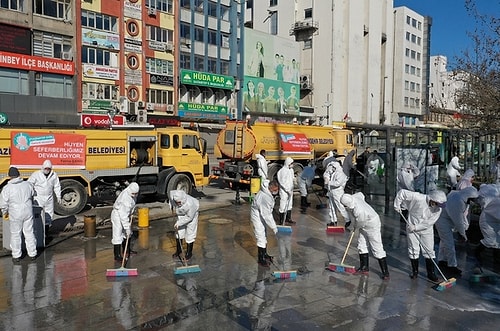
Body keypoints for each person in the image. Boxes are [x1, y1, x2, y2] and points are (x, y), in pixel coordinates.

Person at [394, 189, 447, 282]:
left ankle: (431, 274)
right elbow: (402, 193)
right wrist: (397, 205)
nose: (438, 206)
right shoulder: (418, 197)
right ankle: (415, 272)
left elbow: (430, 222)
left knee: (429, 251)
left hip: (426, 230)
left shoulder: (438, 209)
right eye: (436, 203)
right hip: (411, 227)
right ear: (431, 199)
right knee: (413, 249)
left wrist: (416, 227)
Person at [340, 193, 390, 280]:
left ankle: (385, 273)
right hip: (364, 223)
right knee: (361, 244)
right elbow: (361, 194)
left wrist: (354, 227)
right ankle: (364, 267)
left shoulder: (359, 211)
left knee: (376, 248)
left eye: (345, 206)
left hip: (372, 224)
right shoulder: (355, 197)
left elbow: (360, 222)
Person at [435, 186, 478, 277]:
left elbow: (464, 217)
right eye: (473, 199)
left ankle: (442, 260)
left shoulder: (461, 198)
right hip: (442, 220)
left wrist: (465, 229)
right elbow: (458, 220)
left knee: (444, 241)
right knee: (449, 243)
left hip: (447, 219)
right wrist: (463, 234)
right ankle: (452, 265)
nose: (473, 201)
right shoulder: (457, 201)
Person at [0, 167, 37, 262]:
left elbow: (3, 204)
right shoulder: (27, 184)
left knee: (16, 234)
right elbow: (33, 194)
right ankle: (32, 254)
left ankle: (16, 256)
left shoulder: (7, 188)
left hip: (15, 213)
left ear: (9, 176)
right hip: (28, 211)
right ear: (19, 174)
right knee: (29, 233)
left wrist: (5, 212)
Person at [28, 160, 62, 234]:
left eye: (48, 169)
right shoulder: (36, 174)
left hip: (49, 198)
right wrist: (31, 194)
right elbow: (29, 184)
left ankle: (46, 232)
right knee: (38, 215)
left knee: (49, 215)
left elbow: (57, 186)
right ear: (43, 168)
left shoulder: (54, 175)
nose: (47, 170)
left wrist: (58, 196)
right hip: (38, 198)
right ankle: (38, 231)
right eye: (45, 168)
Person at [250, 180, 279, 267]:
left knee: (264, 235)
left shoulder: (267, 191)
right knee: (260, 236)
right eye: (275, 189)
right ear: (271, 187)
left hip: (261, 214)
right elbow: (267, 215)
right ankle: (261, 259)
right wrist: (274, 228)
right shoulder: (265, 197)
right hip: (257, 217)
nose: (276, 191)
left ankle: (265, 254)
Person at [111, 182, 139, 262]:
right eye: (133, 194)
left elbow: (131, 205)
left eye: (136, 194)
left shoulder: (131, 193)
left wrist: (132, 212)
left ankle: (127, 250)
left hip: (126, 214)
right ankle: (117, 256)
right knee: (118, 234)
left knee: (127, 234)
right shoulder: (125, 198)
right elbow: (123, 215)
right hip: (118, 215)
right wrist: (127, 227)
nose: (134, 195)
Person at [474, 184, 500, 267]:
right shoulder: (498, 202)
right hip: (487, 221)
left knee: (498, 240)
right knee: (490, 240)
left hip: (494, 220)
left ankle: (496, 259)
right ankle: (476, 251)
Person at [170, 189, 200, 261]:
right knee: (179, 232)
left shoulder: (191, 204)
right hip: (181, 214)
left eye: (179, 202)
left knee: (190, 233)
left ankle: (189, 253)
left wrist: (179, 223)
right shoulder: (173, 196)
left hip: (191, 216)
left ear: (183, 200)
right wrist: (171, 207)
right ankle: (179, 251)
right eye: (176, 202)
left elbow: (189, 217)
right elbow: (170, 199)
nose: (177, 204)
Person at [323, 157, 351, 228]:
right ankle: (333, 220)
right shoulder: (334, 172)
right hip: (332, 191)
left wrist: (329, 182)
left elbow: (338, 183)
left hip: (338, 192)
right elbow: (326, 173)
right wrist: (326, 178)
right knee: (332, 206)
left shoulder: (341, 173)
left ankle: (347, 219)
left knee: (340, 206)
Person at [396, 161, 420, 235]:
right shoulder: (403, 174)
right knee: (405, 209)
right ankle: (403, 226)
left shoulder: (408, 173)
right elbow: (407, 184)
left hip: (409, 194)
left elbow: (417, 173)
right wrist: (412, 192)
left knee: (408, 209)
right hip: (407, 194)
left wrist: (413, 166)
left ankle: (405, 224)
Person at [277, 157, 295, 225]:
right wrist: (287, 190)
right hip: (284, 191)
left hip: (290, 190)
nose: (292, 165)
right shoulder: (282, 171)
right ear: (288, 163)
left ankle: (288, 218)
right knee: (283, 204)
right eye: (291, 163)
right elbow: (282, 182)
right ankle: (282, 220)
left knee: (289, 204)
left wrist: (294, 181)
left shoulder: (291, 170)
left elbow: (292, 178)